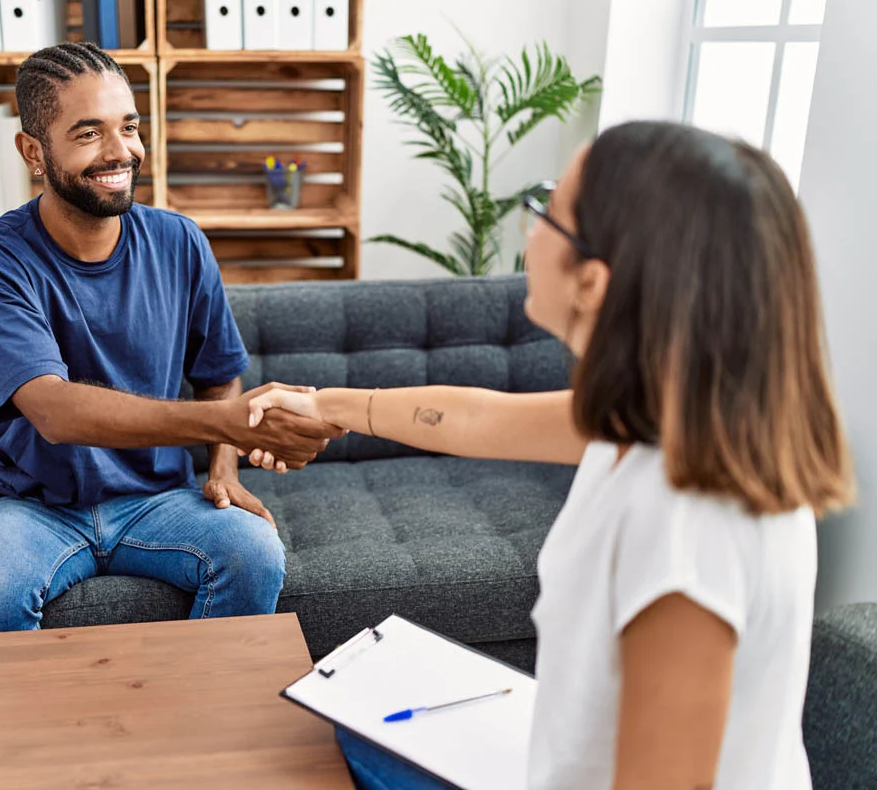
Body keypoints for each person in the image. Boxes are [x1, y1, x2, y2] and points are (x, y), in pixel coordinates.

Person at [246, 121, 853, 789]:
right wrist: (327, 404)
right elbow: (478, 419)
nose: (528, 229)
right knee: (347, 736)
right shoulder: (663, 418)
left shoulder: (683, 526)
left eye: (545, 208)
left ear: (593, 282)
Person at [0, 42, 344, 635]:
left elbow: (217, 374)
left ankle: (203, 719)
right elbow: (53, 409)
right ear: (34, 151)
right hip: (35, 507)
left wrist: (224, 467)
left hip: (161, 500)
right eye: (88, 134)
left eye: (128, 127)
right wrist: (227, 422)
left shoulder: (180, 242)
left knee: (253, 553)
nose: (121, 152)